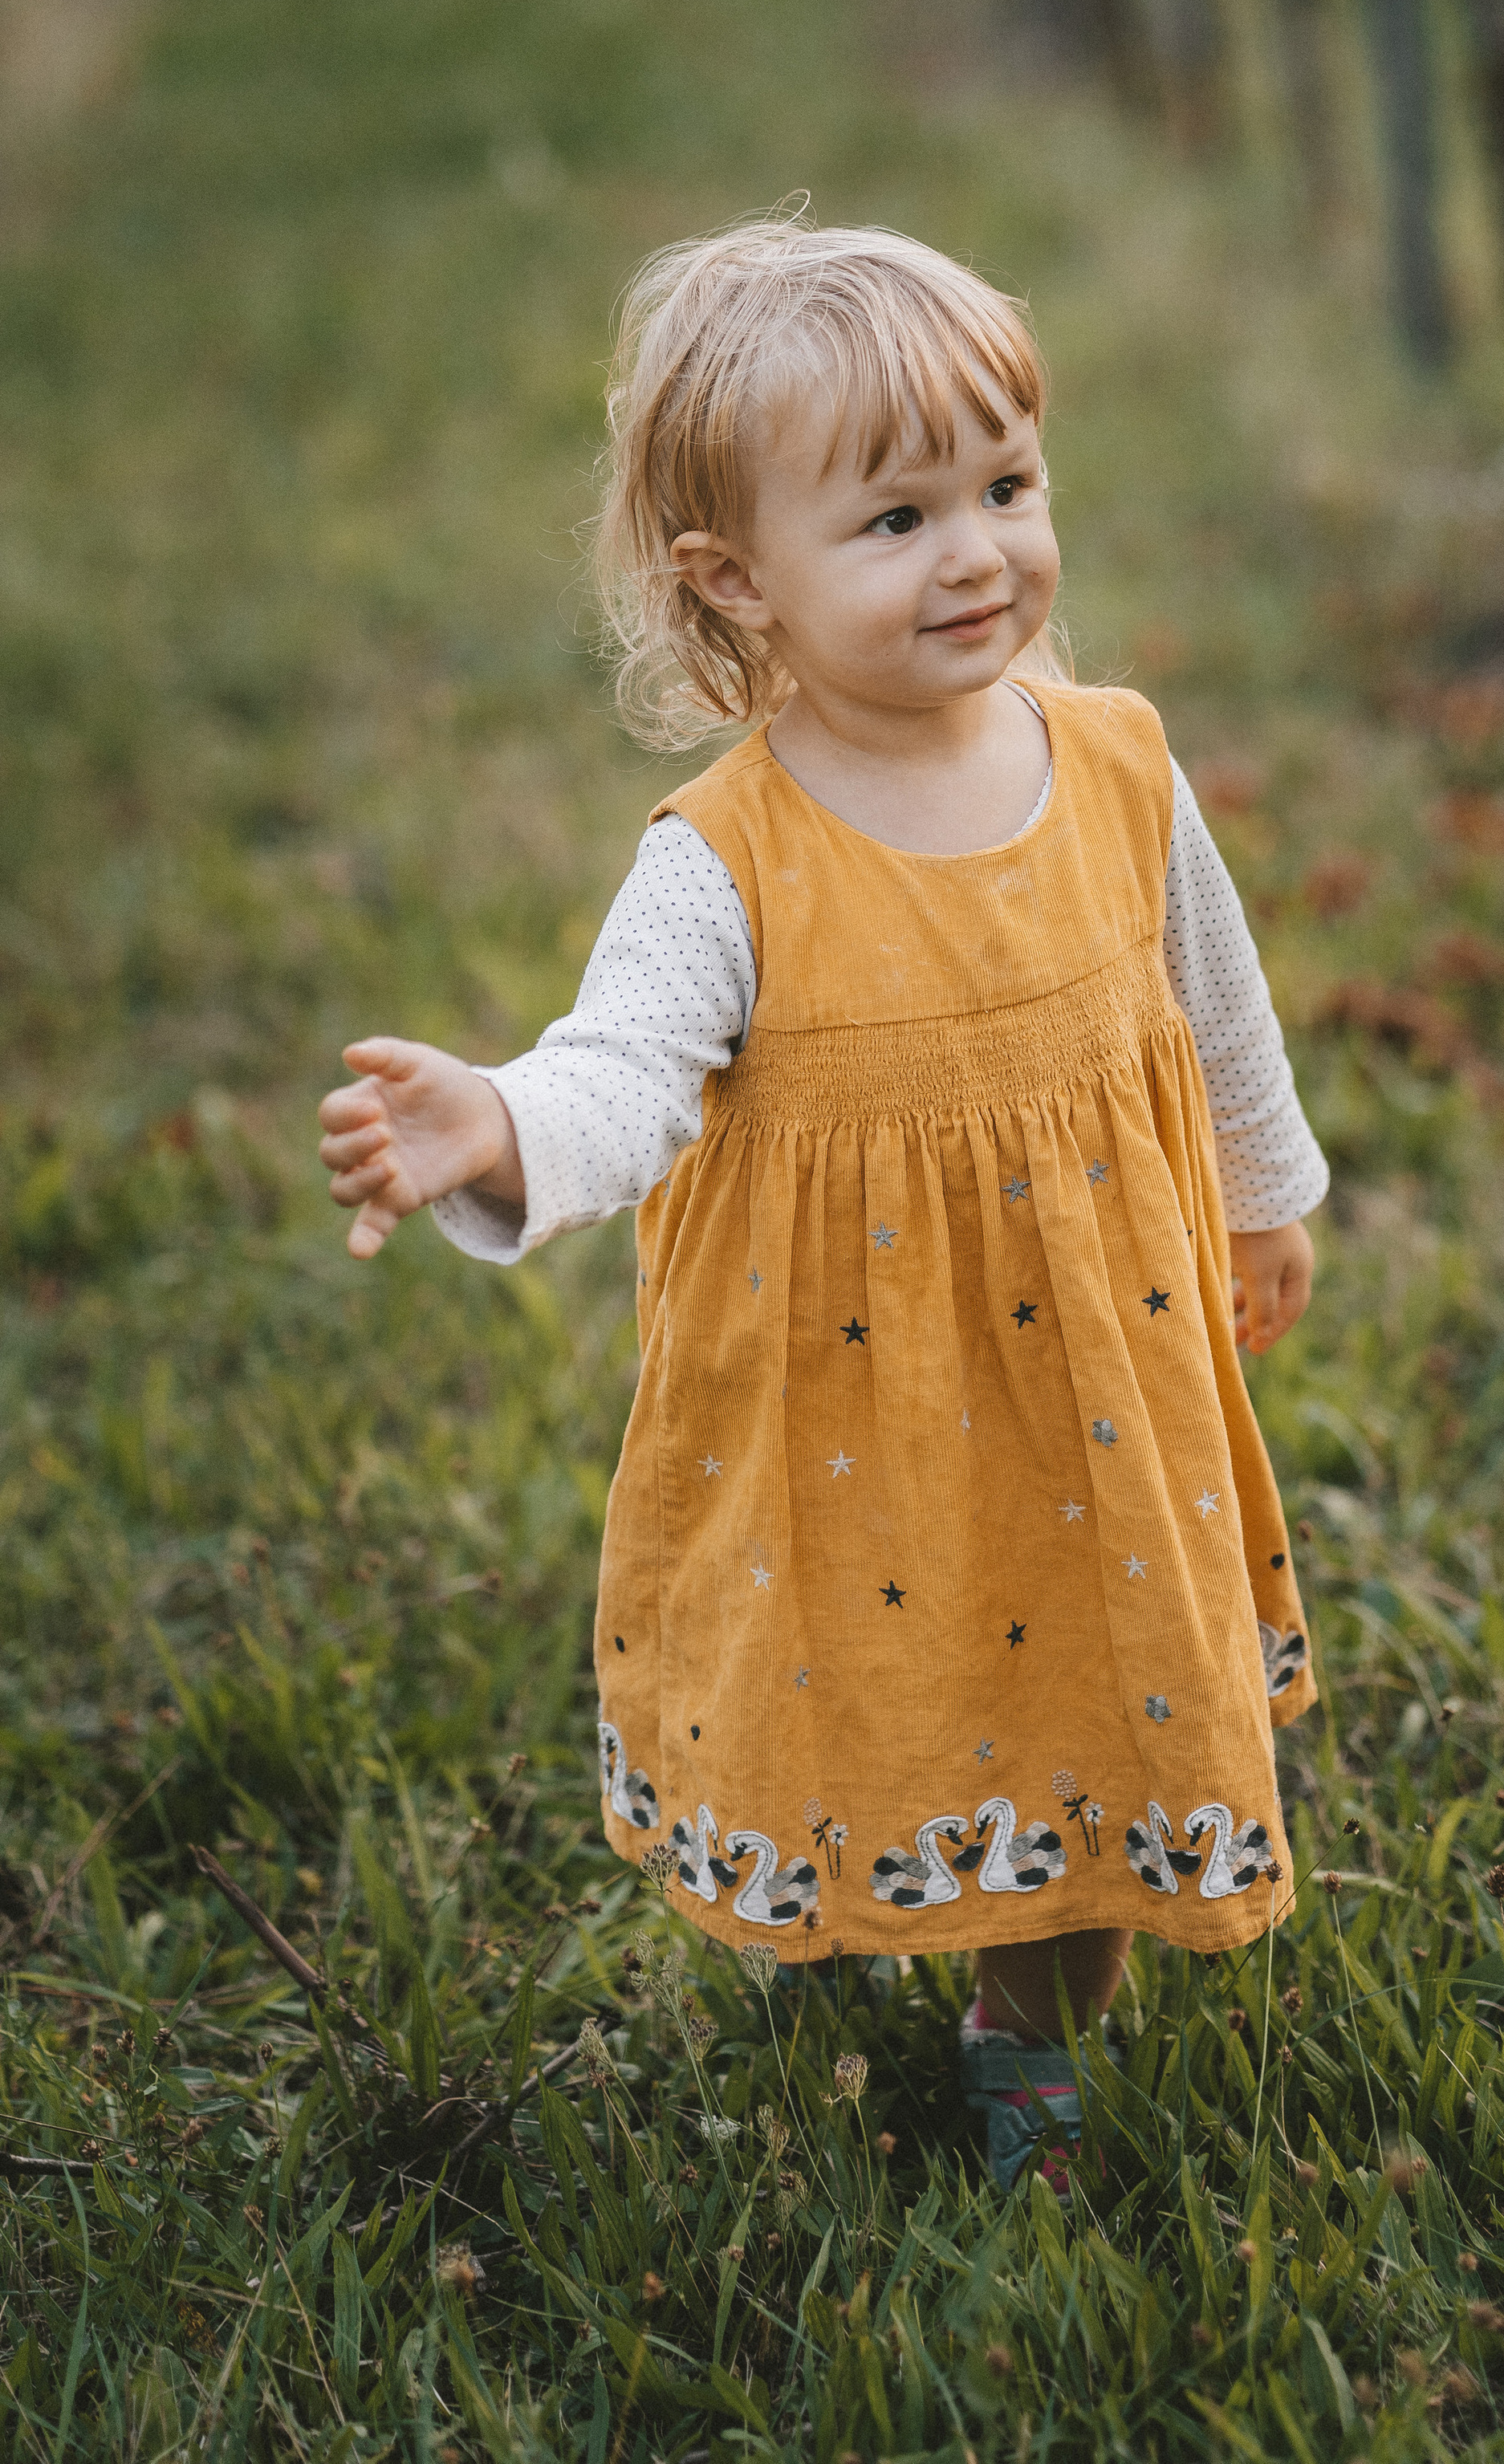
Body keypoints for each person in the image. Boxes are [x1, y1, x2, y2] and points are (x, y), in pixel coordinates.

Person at [316, 216, 1327, 2189]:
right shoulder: (725, 860)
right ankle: (918, 1890)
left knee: (1107, 1683)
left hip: (1102, 1379)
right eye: (892, 520)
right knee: (917, 1672)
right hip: (859, 1405)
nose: (977, 554)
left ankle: (1032, 2019)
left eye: (1005, 487)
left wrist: (1261, 1189)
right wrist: (502, 1126)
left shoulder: (1115, 762)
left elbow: (1211, 994)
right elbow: (623, 1069)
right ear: (735, 584)